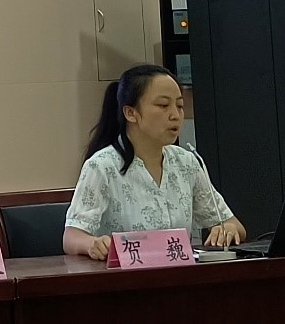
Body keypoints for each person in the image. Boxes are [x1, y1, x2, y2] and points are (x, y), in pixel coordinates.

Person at [63, 63, 246, 260]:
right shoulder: (102, 166)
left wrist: (227, 229)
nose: (175, 115)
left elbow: (234, 225)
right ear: (131, 113)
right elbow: (72, 237)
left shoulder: (186, 163)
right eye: (163, 105)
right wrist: (92, 244)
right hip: (125, 275)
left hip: (179, 273)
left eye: (179, 106)